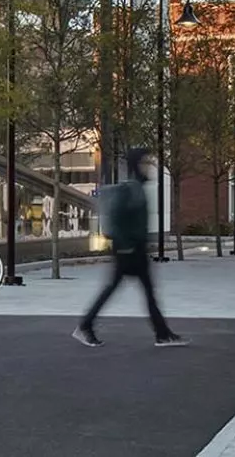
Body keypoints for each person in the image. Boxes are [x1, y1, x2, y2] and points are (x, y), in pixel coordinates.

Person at [75, 149, 186, 348]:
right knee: (118, 290)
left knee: (144, 292)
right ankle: (85, 325)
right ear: (137, 165)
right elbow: (117, 219)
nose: (151, 167)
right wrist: (126, 246)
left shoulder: (138, 187)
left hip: (136, 249)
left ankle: (162, 333)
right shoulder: (131, 189)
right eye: (146, 163)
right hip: (128, 250)